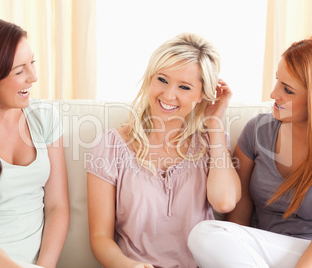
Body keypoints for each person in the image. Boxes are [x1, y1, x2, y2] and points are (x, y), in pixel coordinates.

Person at [188, 35, 312, 267]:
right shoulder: (258, 131)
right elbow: (238, 220)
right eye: (278, 81)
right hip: (266, 252)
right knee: (205, 234)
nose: (274, 94)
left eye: (287, 89)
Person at [86, 32, 241, 268]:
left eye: (184, 87)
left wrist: (215, 124)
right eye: (162, 80)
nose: (168, 95)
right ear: (150, 78)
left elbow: (225, 203)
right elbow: (100, 239)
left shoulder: (212, 143)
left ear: (202, 95)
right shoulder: (110, 146)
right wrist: (130, 266)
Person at [0, 18, 69, 268]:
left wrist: (44, 267)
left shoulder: (44, 117)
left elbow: (58, 206)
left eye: (32, 63)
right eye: (19, 71)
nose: (34, 77)